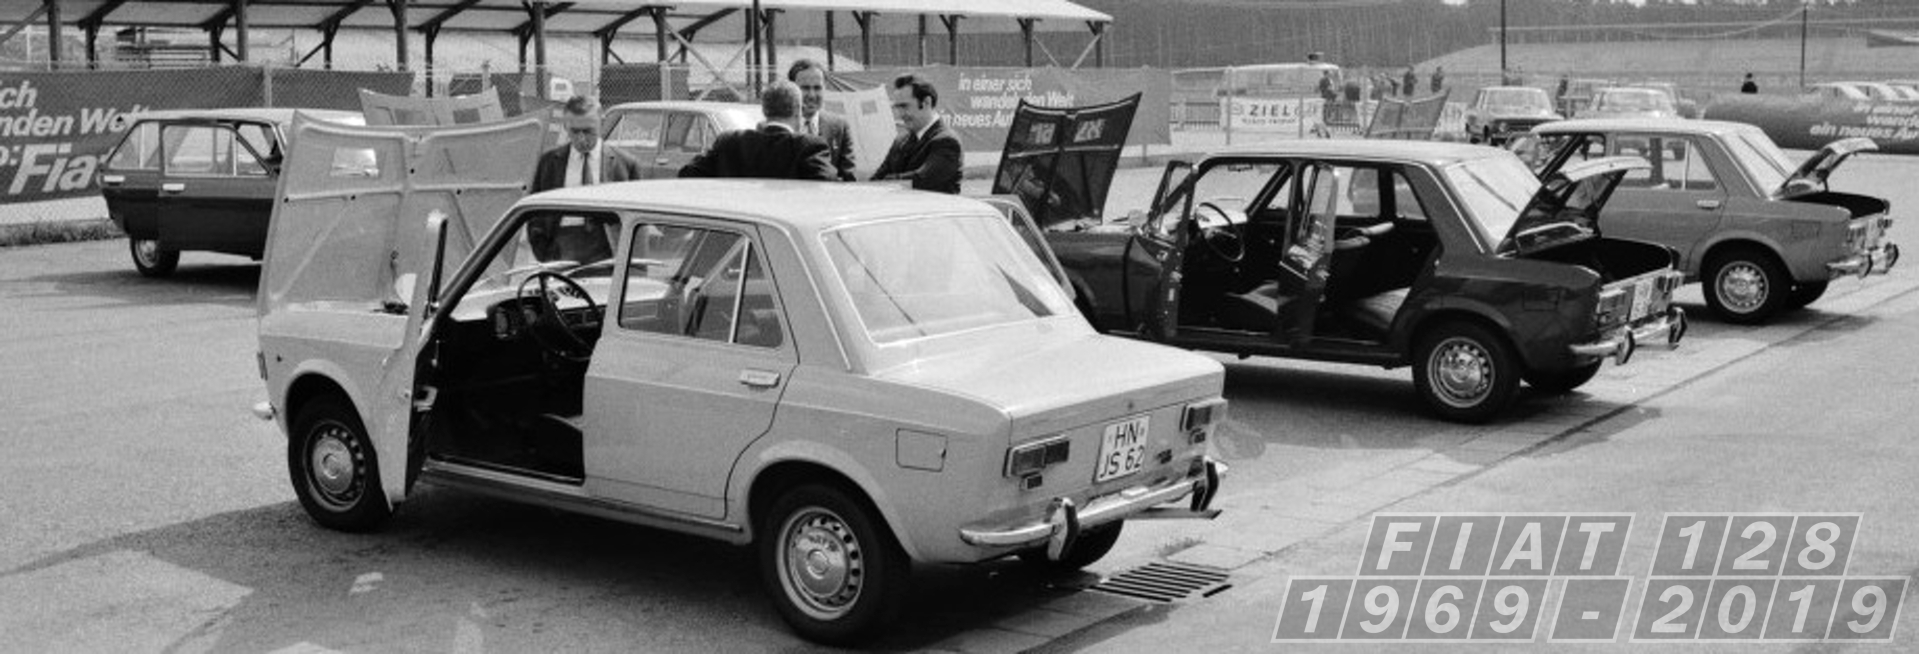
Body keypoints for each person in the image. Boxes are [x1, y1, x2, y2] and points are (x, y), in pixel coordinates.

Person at [529, 95, 640, 263]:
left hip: (609, 250)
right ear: (565, 126)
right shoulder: (549, 163)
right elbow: (535, 212)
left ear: (602, 122)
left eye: (588, 131)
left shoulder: (625, 164)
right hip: (561, 249)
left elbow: (639, 220)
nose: (581, 139)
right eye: (574, 131)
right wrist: (544, 253)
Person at [678, 81, 836, 181]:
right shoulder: (808, 147)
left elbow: (687, 173)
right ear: (797, 110)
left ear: (764, 110)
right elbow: (828, 186)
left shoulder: (729, 142)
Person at [872, 74, 962, 194]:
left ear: (926, 102)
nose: (900, 114)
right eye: (897, 107)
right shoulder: (900, 141)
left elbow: (919, 181)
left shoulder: (947, 142)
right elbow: (875, 180)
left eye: (904, 106)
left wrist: (884, 182)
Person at [787, 59, 858, 181]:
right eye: (805, 88)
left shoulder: (840, 127)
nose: (812, 95)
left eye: (817, 88)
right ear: (791, 89)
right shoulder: (780, 127)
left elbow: (849, 177)